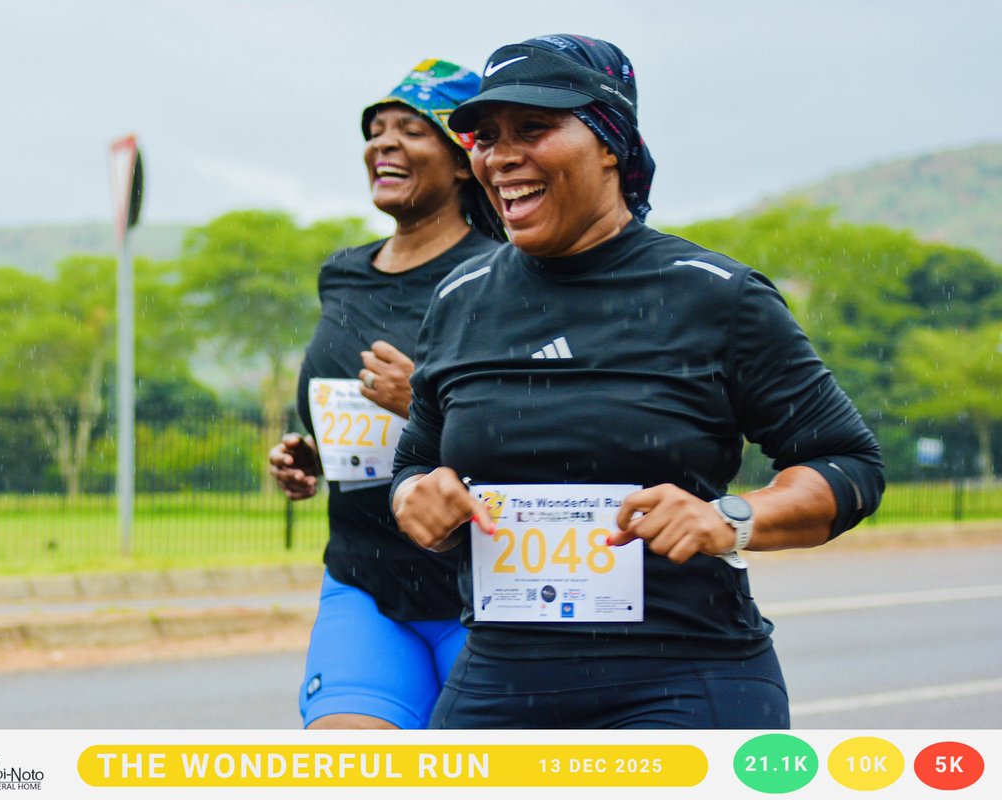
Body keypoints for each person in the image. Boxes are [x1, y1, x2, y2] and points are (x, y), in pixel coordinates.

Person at [390, 34, 885, 729]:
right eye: (485, 135)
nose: (500, 156)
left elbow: (848, 465)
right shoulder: (461, 297)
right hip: (502, 679)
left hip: (685, 677)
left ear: (609, 141)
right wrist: (415, 496)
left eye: (534, 128)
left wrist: (728, 519)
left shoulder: (716, 295)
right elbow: (414, 463)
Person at [269, 58, 506, 730]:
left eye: (412, 129)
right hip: (364, 578)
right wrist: (312, 455)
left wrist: (421, 404)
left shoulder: (502, 276)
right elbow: (341, 406)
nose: (384, 142)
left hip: (481, 587)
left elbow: (541, 431)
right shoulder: (343, 274)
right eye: (376, 130)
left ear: (464, 162)